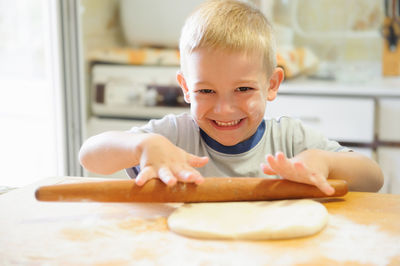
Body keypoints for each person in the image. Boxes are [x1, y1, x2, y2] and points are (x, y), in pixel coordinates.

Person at [79, 0, 383, 195]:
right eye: (205, 91)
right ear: (186, 88)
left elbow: (374, 179)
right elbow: (89, 156)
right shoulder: (173, 138)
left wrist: (324, 162)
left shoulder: (290, 140)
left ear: (272, 84)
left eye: (243, 89)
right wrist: (142, 145)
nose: (224, 109)